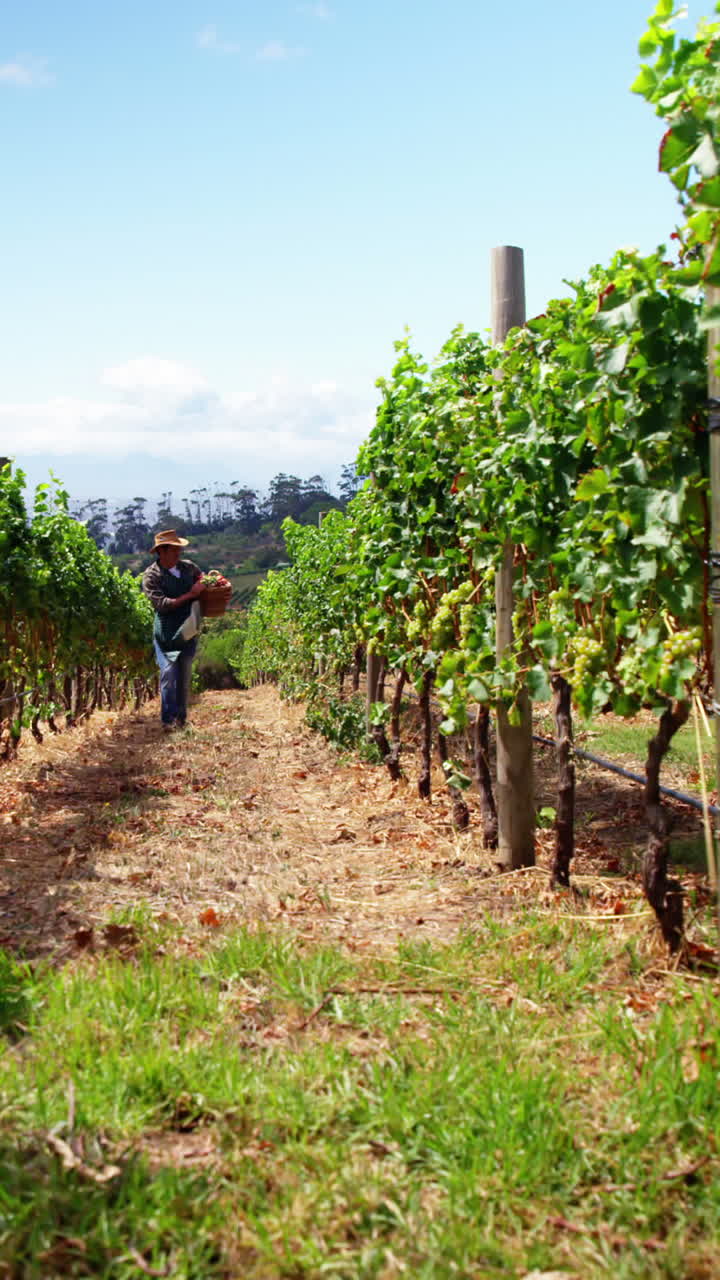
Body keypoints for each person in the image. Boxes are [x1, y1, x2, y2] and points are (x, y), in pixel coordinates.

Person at [142, 530, 205, 731]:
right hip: (167, 632)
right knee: (169, 674)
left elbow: (202, 578)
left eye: (179, 549)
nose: (179, 552)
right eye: (175, 549)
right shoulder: (151, 576)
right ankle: (168, 720)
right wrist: (191, 595)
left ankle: (181, 719)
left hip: (188, 628)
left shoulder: (188, 568)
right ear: (162, 551)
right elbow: (162, 604)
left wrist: (208, 582)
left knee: (184, 675)